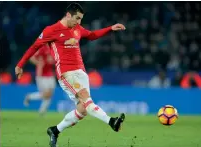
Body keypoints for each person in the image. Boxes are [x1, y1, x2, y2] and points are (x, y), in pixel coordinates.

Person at [15, 3, 126, 147]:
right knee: (87, 100)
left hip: (81, 73)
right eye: (77, 18)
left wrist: (110, 28)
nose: (79, 22)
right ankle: (112, 122)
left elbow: (91, 35)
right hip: (67, 74)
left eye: (81, 19)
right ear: (68, 15)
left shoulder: (77, 28)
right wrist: (20, 65)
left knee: (83, 109)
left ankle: (54, 130)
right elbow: (34, 46)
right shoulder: (51, 30)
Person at [23, 44, 56, 116]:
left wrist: (52, 61)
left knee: (50, 94)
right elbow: (31, 57)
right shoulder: (42, 48)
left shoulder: (54, 48)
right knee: (46, 94)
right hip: (41, 75)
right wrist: (38, 63)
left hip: (50, 74)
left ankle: (42, 112)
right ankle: (29, 97)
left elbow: (53, 60)